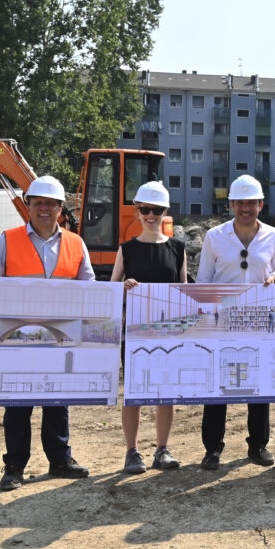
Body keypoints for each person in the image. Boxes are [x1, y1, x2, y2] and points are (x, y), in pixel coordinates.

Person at [0, 176, 95, 491]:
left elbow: (90, 290)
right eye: (38, 202)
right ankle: (14, 465)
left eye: (50, 203)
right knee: (18, 402)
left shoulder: (75, 242)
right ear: (27, 206)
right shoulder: (8, 239)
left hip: (60, 336)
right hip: (18, 337)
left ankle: (59, 459)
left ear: (60, 208)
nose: (44, 208)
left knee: (58, 399)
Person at [195, 174, 275, 470]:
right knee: (217, 386)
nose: (246, 208)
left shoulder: (272, 236)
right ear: (231, 204)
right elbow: (204, 278)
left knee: (258, 384)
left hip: (259, 317)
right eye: (240, 203)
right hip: (223, 318)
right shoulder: (215, 237)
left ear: (261, 204)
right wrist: (205, 315)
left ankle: (258, 445)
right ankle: (212, 449)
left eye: (252, 203)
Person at [111, 181, 187, 474]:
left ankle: (162, 449)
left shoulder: (177, 249)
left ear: (165, 211)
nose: (151, 215)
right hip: (134, 334)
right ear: (137, 212)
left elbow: (184, 292)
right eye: (145, 209)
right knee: (134, 392)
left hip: (168, 332)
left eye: (156, 210)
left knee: (165, 391)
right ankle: (132, 451)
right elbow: (111, 290)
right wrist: (124, 288)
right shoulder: (127, 250)